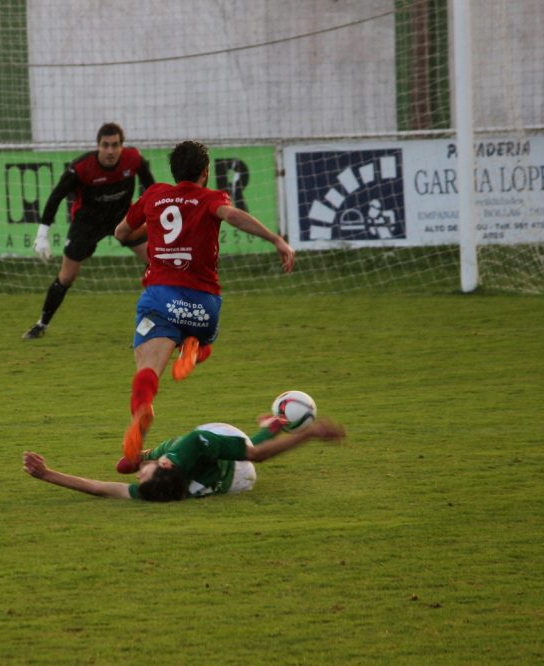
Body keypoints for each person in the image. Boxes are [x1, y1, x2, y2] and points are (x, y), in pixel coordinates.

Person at [113, 140, 295, 471]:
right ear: (205, 171)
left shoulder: (154, 195)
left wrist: (150, 230)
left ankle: (142, 410)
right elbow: (234, 216)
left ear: (173, 171)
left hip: (160, 297)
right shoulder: (211, 198)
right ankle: (196, 349)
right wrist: (276, 239)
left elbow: (121, 233)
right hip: (203, 305)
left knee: (147, 368)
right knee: (200, 335)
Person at [23, 122, 155, 339]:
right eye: (105, 145)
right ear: (98, 146)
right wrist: (42, 234)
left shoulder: (133, 159)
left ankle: (153, 318)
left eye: (115, 145)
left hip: (122, 220)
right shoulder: (81, 168)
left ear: (122, 146)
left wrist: (154, 216)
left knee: (156, 261)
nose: (110, 151)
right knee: (67, 276)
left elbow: (151, 188)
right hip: (87, 223)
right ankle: (41, 324)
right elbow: (56, 196)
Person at [23, 415, 345, 502]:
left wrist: (47, 474)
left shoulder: (157, 492)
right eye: (143, 472)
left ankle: (269, 427)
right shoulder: (190, 446)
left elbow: (99, 488)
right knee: (198, 436)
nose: (138, 476)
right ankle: (270, 427)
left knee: (174, 446)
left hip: (234, 483)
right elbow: (256, 455)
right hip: (236, 472)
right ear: (165, 466)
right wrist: (309, 433)